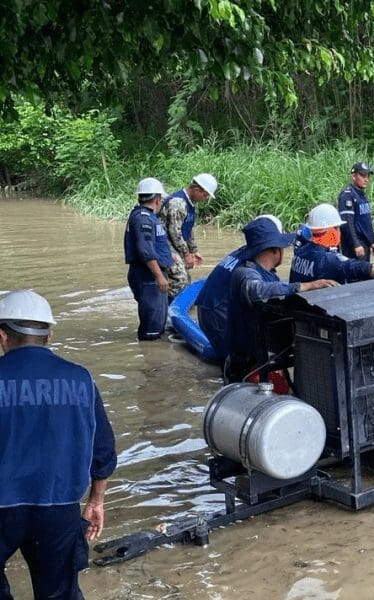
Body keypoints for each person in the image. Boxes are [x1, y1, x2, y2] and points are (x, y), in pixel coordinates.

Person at [0, 290, 117, 599]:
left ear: (2, 336)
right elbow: (102, 449)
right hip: (59, 506)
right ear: (49, 335)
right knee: (60, 592)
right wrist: (95, 501)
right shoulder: (80, 378)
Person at [225, 219, 335, 383]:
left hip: (260, 357)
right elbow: (258, 290)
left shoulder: (268, 274)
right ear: (275, 249)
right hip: (246, 365)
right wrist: (306, 285)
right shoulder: (245, 273)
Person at [194, 214, 282, 362]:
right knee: (241, 362)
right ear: (273, 247)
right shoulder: (256, 268)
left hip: (205, 308)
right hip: (219, 315)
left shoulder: (243, 252)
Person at [290, 203, 374, 285]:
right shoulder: (330, 260)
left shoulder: (299, 252)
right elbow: (371, 270)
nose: (339, 232)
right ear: (331, 231)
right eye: (337, 228)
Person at [123, 177, 173, 340]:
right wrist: (159, 276)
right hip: (148, 276)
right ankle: (150, 358)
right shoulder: (143, 218)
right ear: (158, 199)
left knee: (159, 320)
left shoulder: (145, 216)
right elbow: (146, 251)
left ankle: (154, 353)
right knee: (152, 325)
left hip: (150, 275)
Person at [160, 173, 217, 301]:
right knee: (180, 279)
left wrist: (194, 250)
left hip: (174, 245)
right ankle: (169, 309)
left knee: (186, 279)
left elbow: (188, 229)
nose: (205, 198)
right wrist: (186, 254)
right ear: (196, 189)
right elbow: (174, 232)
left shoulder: (190, 204)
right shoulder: (178, 203)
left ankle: (177, 305)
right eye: (205, 194)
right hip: (164, 245)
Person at [338, 161, 374, 261]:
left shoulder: (361, 195)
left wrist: (372, 241)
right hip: (354, 245)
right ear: (353, 176)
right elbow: (347, 223)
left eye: (368, 176)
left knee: (364, 273)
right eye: (362, 175)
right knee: (356, 274)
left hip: (364, 243)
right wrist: (355, 243)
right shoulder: (347, 195)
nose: (366, 179)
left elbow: (366, 222)